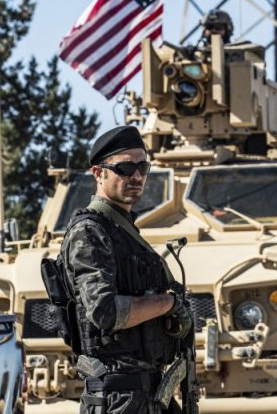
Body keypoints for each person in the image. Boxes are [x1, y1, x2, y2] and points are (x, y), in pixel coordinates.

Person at [61, 126, 193, 414]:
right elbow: (105, 312)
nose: (136, 176)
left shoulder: (123, 231)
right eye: (125, 168)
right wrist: (167, 304)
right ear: (99, 173)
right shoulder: (90, 232)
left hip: (146, 392)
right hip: (117, 396)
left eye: (143, 167)